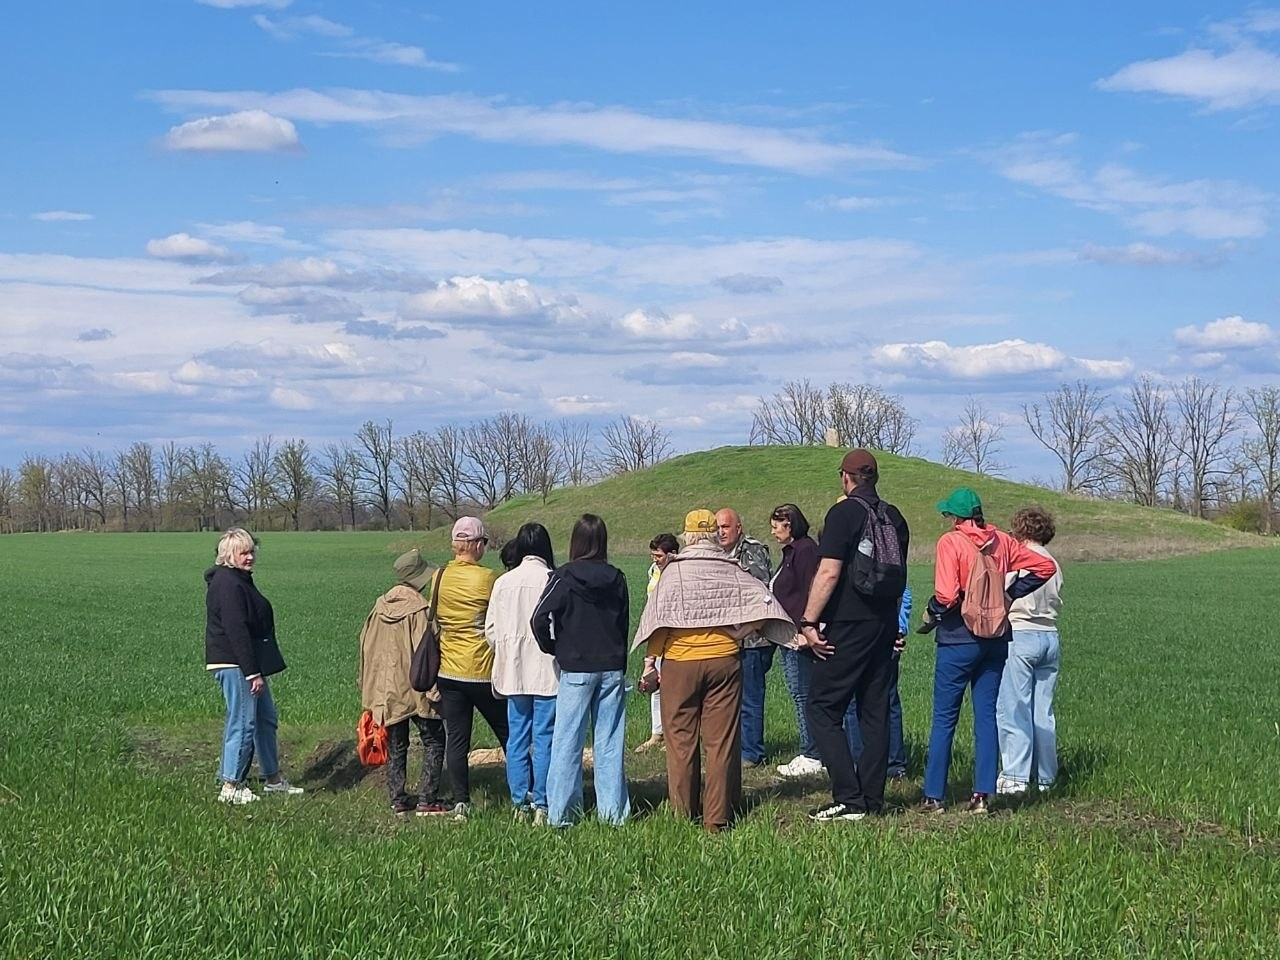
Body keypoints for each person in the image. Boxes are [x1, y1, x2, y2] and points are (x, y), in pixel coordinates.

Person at [633, 509, 796, 833]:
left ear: (688, 535)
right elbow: (763, 600)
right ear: (711, 535)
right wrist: (744, 630)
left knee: (680, 741)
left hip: (680, 663)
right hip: (724, 661)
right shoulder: (730, 567)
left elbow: (659, 622)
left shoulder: (673, 572)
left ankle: (684, 814)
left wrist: (651, 662)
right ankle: (717, 818)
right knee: (721, 742)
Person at [918, 488, 1057, 814]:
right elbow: (1044, 568)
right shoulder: (1002, 541)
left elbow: (946, 595)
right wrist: (1009, 594)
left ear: (956, 517)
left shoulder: (950, 542)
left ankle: (934, 796)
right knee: (986, 716)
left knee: (944, 718)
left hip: (957, 638)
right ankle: (982, 794)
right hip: (996, 637)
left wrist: (931, 613)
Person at [796, 450, 908, 821]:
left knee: (822, 707)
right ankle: (872, 798)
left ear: (846, 477)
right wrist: (894, 625)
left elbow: (829, 572)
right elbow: (898, 576)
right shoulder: (894, 517)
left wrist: (808, 621)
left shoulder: (843, 514)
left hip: (848, 622)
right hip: (883, 623)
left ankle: (848, 797)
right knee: (875, 710)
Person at [531, 514, 631, 827]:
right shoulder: (617, 577)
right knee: (610, 743)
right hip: (611, 667)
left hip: (575, 668)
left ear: (576, 541)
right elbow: (623, 623)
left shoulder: (563, 576)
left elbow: (538, 618)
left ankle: (562, 815)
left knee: (567, 743)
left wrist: (553, 648)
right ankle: (613, 815)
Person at [204, 528, 303, 804]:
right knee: (243, 721)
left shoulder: (238, 579)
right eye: (243, 553)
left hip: (245, 663)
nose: (249, 557)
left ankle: (273, 779)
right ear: (228, 555)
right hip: (235, 663)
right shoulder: (229, 584)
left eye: (251, 551)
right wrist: (252, 673)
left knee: (265, 718)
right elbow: (236, 630)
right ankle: (231, 786)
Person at [357, 548, 447, 815]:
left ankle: (397, 799)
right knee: (434, 740)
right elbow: (430, 652)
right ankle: (427, 799)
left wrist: (367, 685)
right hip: (416, 688)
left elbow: (365, 647)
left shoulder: (378, 608)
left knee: (396, 743)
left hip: (386, 691)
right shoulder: (422, 611)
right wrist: (434, 691)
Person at [485, 523, 559, 823]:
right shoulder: (552, 578)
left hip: (513, 673)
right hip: (547, 671)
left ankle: (519, 802)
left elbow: (490, 630)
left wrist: (506, 649)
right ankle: (542, 802)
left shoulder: (503, 582)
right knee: (544, 738)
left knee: (516, 738)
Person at [435, 516, 506, 819]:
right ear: (476, 545)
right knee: (508, 732)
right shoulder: (489, 578)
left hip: (448, 670)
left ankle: (461, 801)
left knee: (457, 738)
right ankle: (525, 790)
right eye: (484, 542)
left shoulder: (438, 577)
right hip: (481, 669)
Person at [996, 506, 1063, 795]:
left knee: (1014, 708)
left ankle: (1015, 776)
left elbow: (1005, 591)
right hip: (1049, 633)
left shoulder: (1020, 559)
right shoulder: (1053, 561)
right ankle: (1046, 776)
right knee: (1042, 712)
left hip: (1020, 632)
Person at [767, 504, 824, 779]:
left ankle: (812, 753)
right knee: (798, 691)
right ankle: (812, 750)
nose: (773, 532)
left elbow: (810, 591)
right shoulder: (792, 551)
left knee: (803, 693)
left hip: (799, 637)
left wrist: (806, 628)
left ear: (789, 524)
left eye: (776, 526)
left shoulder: (805, 551)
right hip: (788, 635)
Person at [715, 508, 773, 767]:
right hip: (729, 638)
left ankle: (751, 752)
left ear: (738, 528)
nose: (721, 532)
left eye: (726, 527)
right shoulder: (718, 553)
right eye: (717, 528)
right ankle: (736, 747)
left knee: (750, 697)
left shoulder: (752, 550)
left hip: (753, 638)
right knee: (730, 698)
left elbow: (759, 592)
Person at [635, 532, 679, 754]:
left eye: (659, 556)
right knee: (655, 683)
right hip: (656, 632)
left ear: (673, 554)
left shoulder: (679, 573)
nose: (655, 559)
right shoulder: (653, 570)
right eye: (653, 555)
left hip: (675, 635)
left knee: (674, 685)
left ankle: (675, 733)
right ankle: (657, 733)